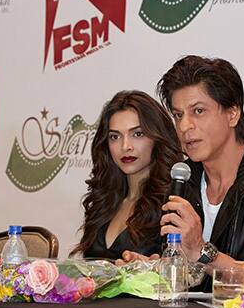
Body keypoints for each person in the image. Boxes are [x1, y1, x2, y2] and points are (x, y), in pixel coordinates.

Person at [122, 55, 244, 280]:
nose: (184, 126)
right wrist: (156, 268)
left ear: (232, 114)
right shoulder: (182, 180)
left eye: (198, 111)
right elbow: (189, 274)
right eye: (178, 115)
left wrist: (202, 252)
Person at [72, 90, 183, 260]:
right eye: (115, 136)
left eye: (137, 134)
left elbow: (185, 271)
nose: (125, 146)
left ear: (157, 138)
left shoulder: (173, 202)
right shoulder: (104, 200)